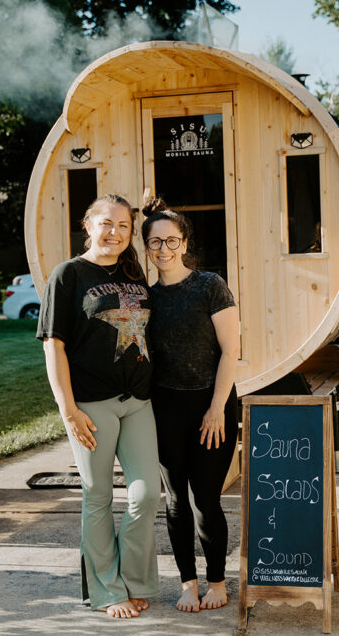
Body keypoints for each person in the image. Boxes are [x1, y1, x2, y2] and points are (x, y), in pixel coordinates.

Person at [37, 194, 160, 619]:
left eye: (124, 225)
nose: (114, 232)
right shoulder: (67, 275)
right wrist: (68, 409)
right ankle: (108, 590)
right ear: (87, 225)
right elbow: (54, 345)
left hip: (138, 402)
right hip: (92, 404)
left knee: (146, 494)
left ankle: (135, 581)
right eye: (106, 223)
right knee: (98, 496)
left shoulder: (132, 272)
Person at [141, 198, 240, 612]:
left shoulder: (209, 285)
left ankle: (217, 581)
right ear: (146, 248)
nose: (163, 249)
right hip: (165, 409)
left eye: (171, 240)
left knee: (206, 499)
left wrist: (217, 407)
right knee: (175, 501)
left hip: (211, 406)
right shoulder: (144, 300)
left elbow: (230, 352)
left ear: (184, 243)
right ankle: (188, 582)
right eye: (154, 242)